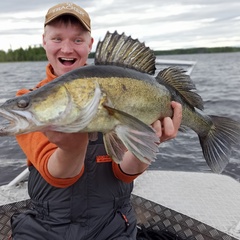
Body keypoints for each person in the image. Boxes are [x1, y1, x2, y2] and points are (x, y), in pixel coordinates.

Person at [10, 2, 182, 240]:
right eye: (57, 38)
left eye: (78, 40)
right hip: (46, 227)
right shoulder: (29, 101)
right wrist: (72, 147)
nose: (67, 48)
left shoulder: (105, 92)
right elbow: (56, 175)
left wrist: (151, 141)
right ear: (44, 41)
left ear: (90, 44)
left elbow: (124, 171)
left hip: (112, 225)